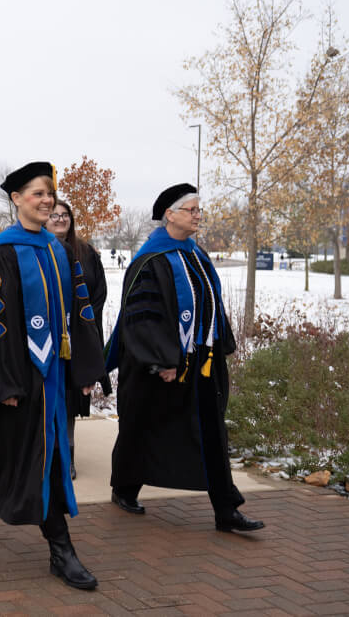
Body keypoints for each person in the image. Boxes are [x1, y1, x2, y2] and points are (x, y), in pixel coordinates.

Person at [0, 162, 105, 591]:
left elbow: (81, 312)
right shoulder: (1, 253)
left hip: (54, 377)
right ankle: (61, 550)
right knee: (34, 458)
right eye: (38, 193)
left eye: (50, 193)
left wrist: (85, 368)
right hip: (18, 378)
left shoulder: (59, 251)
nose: (47, 200)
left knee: (19, 455)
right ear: (16, 199)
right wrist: (1, 384)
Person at [106, 183, 263, 534]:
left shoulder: (196, 255)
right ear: (170, 215)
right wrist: (162, 360)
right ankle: (125, 487)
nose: (197, 216)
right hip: (160, 365)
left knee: (211, 430)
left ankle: (226, 509)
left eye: (198, 210)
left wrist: (218, 344)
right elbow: (141, 316)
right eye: (191, 210)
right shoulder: (151, 260)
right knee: (143, 426)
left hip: (200, 361)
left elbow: (211, 302)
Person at [45, 199, 111, 479]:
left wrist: (82, 323)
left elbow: (99, 293)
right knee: (46, 400)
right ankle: (43, 456)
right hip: (46, 338)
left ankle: (67, 457)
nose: (60, 219)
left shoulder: (86, 252)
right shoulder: (38, 251)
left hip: (78, 338)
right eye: (54, 215)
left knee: (70, 401)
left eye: (65, 215)